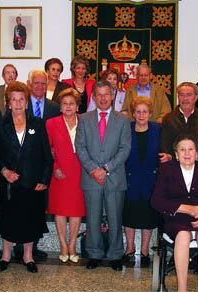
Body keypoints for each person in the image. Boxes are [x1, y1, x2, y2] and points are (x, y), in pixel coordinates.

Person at [0, 81, 53, 274]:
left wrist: (44, 180)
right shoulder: (0, 125)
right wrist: (4, 171)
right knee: (8, 219)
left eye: (22, 99)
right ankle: (6, 255)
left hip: (31, 182)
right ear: (8, 103)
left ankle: (28, 257)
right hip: (9, 183)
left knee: (30, 219)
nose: (18, 103)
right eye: (14, 99)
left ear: (27, 102)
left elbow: (47, 156)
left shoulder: (37, 124)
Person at [150, 135, 198, 292]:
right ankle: (181, 289)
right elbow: (156, 200)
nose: (187, 153)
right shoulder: (167, 169)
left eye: (191, 149)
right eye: (182, 150)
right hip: (177, 219)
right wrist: (184, 207)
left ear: (197, 153)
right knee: (183, 235)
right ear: (176, 154)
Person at [75, 81, 131, 271]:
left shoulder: (123, 120)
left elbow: (125, 149)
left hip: (114, 177)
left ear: (113, 95)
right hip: (91, 177)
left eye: (106, 94)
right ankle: (94, 254)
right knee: (92, 219)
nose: (103, 98)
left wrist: (106, 169)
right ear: (93, 97)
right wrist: (93, 170)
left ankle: (115, 255)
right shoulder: (84, 119)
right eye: (98, 95)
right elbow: (80, 147)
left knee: (115, 218)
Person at [46, 88, 85, 263]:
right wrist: (54, 167)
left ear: (77, 106)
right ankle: (63, 245)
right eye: (65, 103)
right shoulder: (51, 123)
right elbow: (47, 150)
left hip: (80, 172)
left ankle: (72, 246)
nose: (68, 106)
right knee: (60, 211)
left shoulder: (84, 122)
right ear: (60, 107)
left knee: (76, 211)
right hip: (59, 173)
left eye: (72, 103)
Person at [122, 96, 160, 266]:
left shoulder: (158, 129)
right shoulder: (126, 129)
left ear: (150, 113)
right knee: (129, 216)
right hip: (130, 179)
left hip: (150, 181)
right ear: (133, 113)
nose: (141, 114)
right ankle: (129, 248)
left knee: (148, 217)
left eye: (145, 111)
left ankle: (144, 251)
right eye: (138, 111)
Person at [160, 82, 198, 160]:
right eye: (182, 95)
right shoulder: (168, 119)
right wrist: (171, 157)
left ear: (196, 97)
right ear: (178, 97)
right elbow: (165, 145)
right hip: (176, 164)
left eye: (189, 95)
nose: (185, 99)